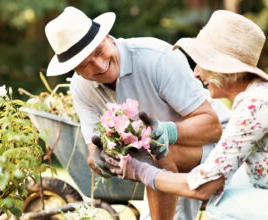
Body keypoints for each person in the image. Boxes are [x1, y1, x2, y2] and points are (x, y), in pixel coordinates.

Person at [103, 10, 268, 220]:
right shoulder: (256, 97)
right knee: (232, 184)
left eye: (202, 62)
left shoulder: (255, 104)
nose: (196, 72)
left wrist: (140, 171)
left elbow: (204, 186)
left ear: (223, 68)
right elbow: (214, 172)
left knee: (221, 206)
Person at [44, 6, 230, 220]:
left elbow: (213, 127)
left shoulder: (156, 58)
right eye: (85, 65)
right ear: (75, 70)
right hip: (162, 163)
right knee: (155, 151)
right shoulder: (80, 87)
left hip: (221, 146)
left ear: (107, 37)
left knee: (157, 148)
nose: (99, 65)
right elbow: (92, 152)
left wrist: (169, 131)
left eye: (98, 51)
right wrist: (100, 157)